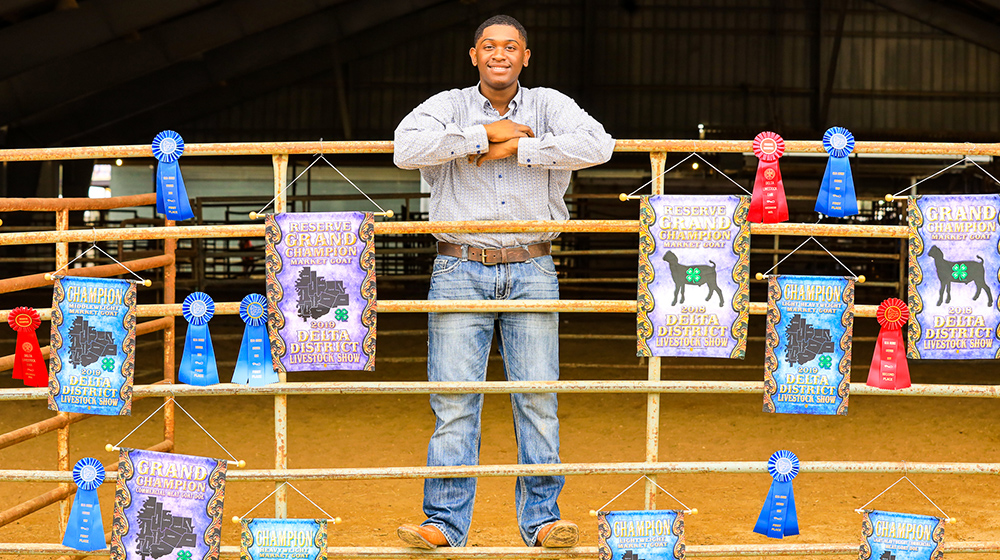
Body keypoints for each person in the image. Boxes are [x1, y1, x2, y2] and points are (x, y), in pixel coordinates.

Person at [392, 14, 614, 549]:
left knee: (536, 397)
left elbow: (598, 144)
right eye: (489, 46)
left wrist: (519, 148)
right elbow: (405, 148)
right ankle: (442, 523)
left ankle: (543, 522)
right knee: (454, 400)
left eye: (510, 46)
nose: (499, 54)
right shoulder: (447, 105)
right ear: (474, 56)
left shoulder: (549, 105)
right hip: (457, 265)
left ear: (525, 57)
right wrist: (481, 135)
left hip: (532, 264)